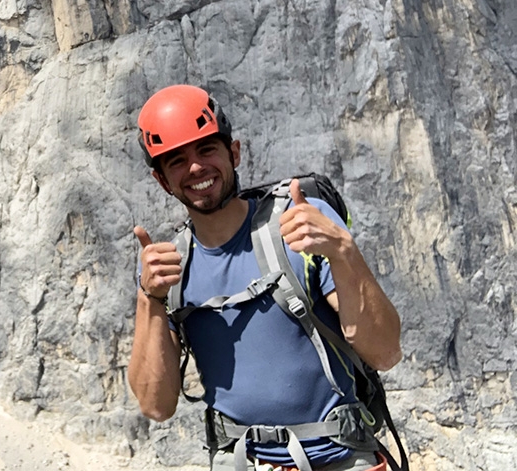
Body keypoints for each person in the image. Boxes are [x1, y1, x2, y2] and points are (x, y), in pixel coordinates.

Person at [128, 84, 402, 471]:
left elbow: (385, 351)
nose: (195, 168)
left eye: (207, 149)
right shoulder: (170, 271)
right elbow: (156, 406)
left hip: (338, 459)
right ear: (162, 181)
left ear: (234, 153)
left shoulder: (300, 224)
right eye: (176, 160)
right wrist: (148, 298)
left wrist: (343, 251)